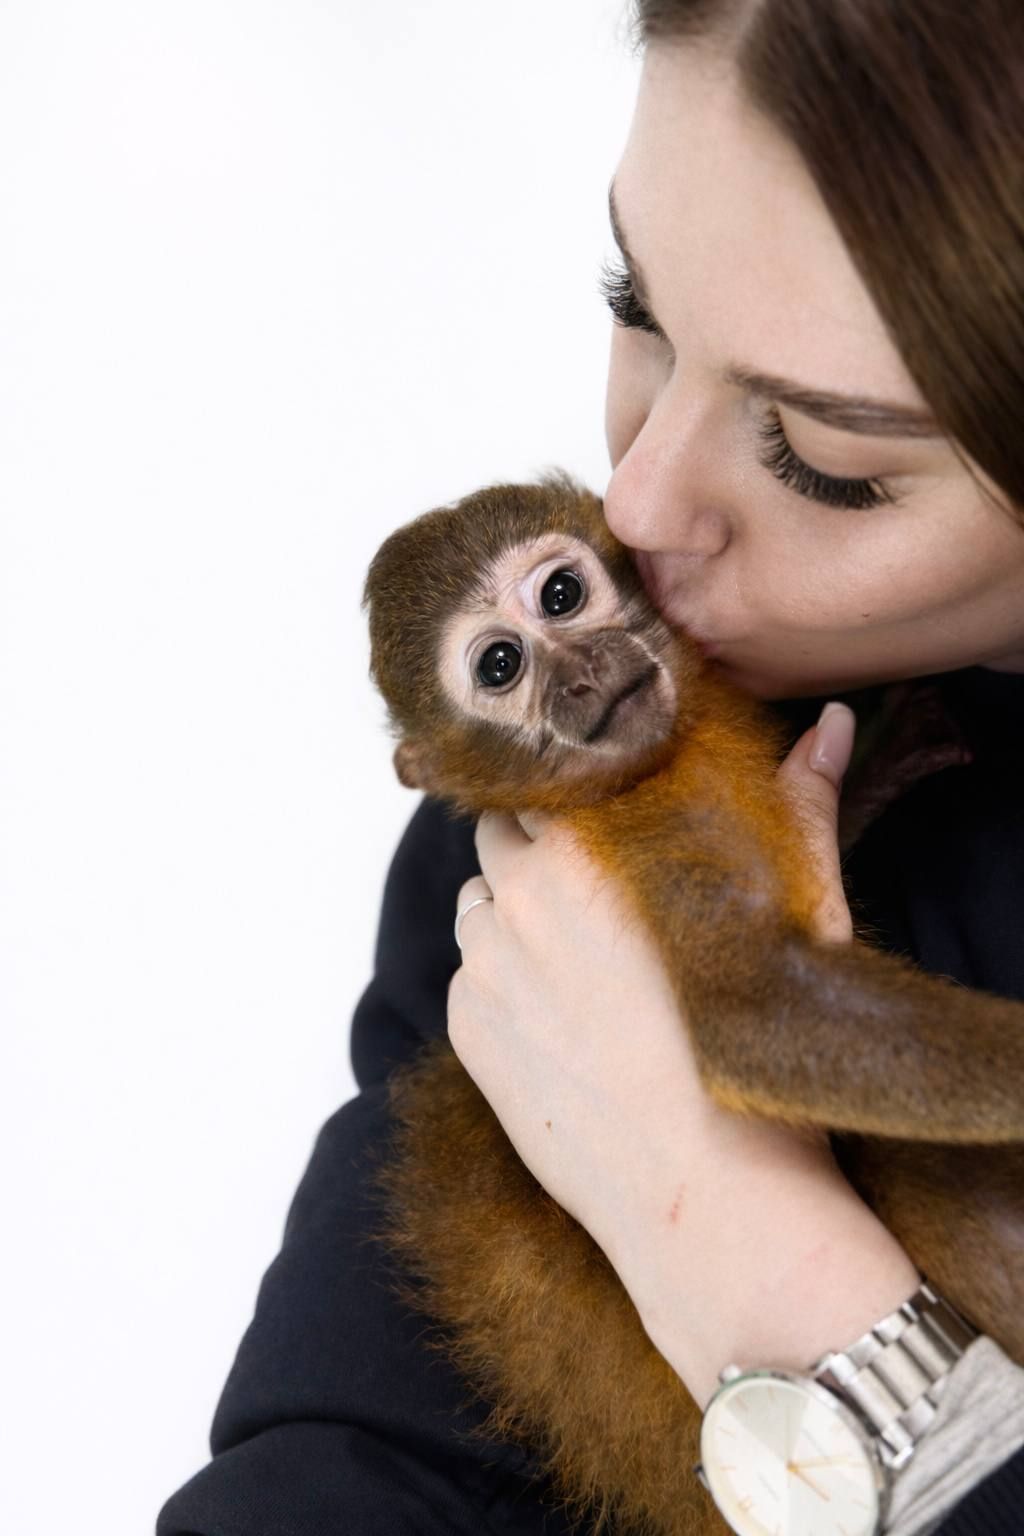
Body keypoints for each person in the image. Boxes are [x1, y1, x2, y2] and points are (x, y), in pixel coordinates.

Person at [157, 2, 1024, 1533]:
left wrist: (759, 1266)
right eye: (640, 302)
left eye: (825, 456)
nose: (636, 498)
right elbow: (356, 1456)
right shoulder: (536, 854)